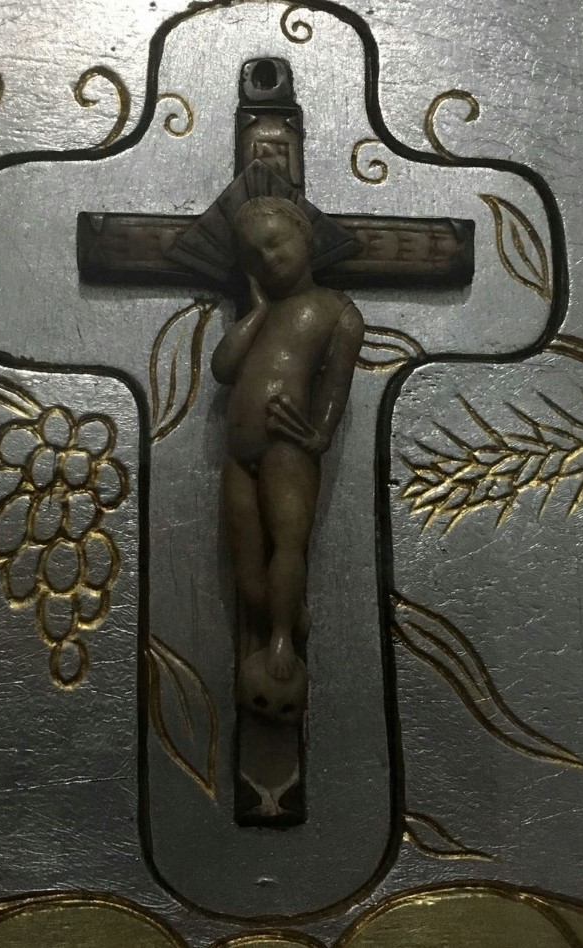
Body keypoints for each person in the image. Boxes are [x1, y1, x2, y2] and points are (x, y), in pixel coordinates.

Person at [211, 196, 364, 680]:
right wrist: (257, 311)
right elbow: (223, 368)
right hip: (239, 454)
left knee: (288, 543)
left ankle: (280, 639)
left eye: (276, 243)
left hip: (287, 446)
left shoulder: (337, 311)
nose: (268, 259)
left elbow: (336, 384)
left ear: (306, 238)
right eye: (253, 256)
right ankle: (286, 612)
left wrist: (319, 435)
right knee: (247, 572)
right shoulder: (262, 313)